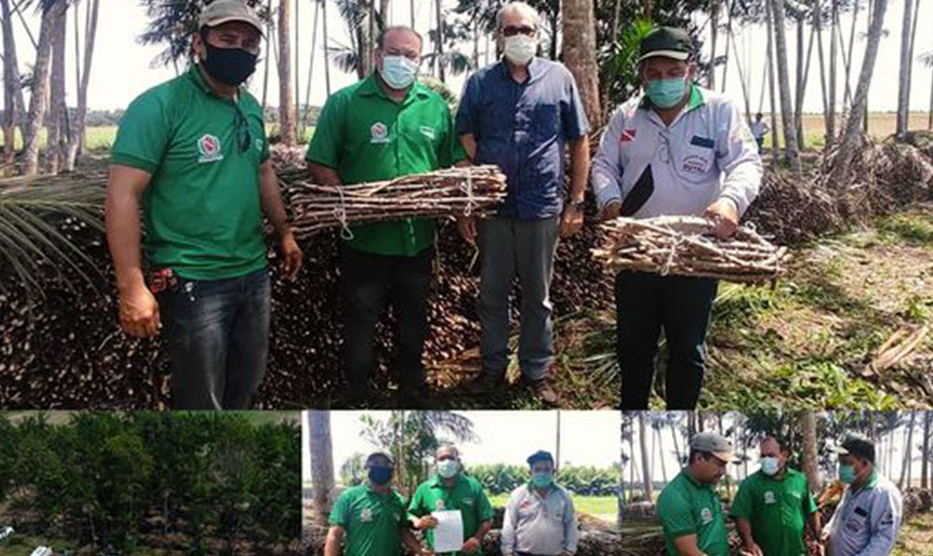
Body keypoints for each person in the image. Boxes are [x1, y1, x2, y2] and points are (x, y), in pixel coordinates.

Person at [105, 0, 303, 410]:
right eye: (227, 39)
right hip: (193, 277)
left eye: (249, 43)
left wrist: (284, 232)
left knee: (245, 386)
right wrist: (131, 285)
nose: (239, 49)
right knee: (200, 400)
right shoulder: (160, 106)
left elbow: (263, 172)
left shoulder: (248, 106)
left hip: (252, 272)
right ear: (199, 43)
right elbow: (122, 194)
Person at [591, 26, 764, 410]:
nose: (663, 81)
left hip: (694, 252)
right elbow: (604, 164)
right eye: (653, 74)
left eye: (672, 72)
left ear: (691, 70)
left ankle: (680, 414)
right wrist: (610, 201)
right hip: (637, 249)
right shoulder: (627, 116)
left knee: (687, 346)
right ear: (643, 75)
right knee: (633, 344)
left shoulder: (718, 110)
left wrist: (731, 202)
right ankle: (633, 410)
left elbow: (745, 163)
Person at [306, 26, 467, 408]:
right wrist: (352, 204)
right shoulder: (345, 102)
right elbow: (320, 161)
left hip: (417, 240)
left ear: (420, 61)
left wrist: (462, 202)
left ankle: (412, 387)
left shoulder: (435, 106)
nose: (402, 61)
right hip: (364, 241)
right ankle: (358, 390)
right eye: (395, 52)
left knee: (414, 317)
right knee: (361, 318)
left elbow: (453, 161)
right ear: (379, 55)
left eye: (411, 55)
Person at [455, 1, 590, 406]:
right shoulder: (480, 82)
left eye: (526, 30)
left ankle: (536, 373)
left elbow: (579, 140)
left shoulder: (559, 78)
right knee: (492, 295)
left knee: (538, 296)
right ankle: (492, 369)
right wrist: (473, 201)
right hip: (495, 210)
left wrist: (576, 201)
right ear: (500, 35)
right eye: (510, 30)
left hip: (541, 206)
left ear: (538, 34)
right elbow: (465, 138)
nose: (519, 37)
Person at [324, 451, 435, 556]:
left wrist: (420, 551)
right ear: (367, 468)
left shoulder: (397, 500)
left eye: (385, 465)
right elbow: (334, 535)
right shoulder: (349, 497)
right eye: (375, 464)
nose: (380, 468)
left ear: (392, 471)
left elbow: (402, 530)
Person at [655, 432, 752, 556]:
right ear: (699, 458)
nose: (723, 471)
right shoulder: (675, 496)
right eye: (720, 464)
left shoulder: (707, 486)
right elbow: (690, 553)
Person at [730, 435, 822, 556]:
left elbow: (811, 511)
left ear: (784, 455)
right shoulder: (751, 484)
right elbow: (741, 515)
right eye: (763, 456)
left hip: (796, 555)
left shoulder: (799, 480)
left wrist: (819, 539)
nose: (766, 460)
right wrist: (749, 542)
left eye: (771, 455)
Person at [408, 444, 494, 556]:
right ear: (435, 463)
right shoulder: (425, 489)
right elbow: (410, 513)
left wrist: (476, 539)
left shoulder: (472, 485)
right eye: (442, 458)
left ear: (458, 461)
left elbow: (487, 518)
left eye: (451, 458)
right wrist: (418, 522)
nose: (446, 462)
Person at [822, 435, 903, 556]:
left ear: (865, 463)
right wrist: (828, 530)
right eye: (840, 462)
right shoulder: (852, 488)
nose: (841, 468)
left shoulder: (882, 493)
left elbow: (884, 540)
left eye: (847, 462)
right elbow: (839, 514)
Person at [501, 450, 578, 556]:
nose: (542, 473)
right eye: (538, 469)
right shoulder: (518, 495)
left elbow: (571, 524)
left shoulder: (563, 496)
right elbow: (509, 525)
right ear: (530, 472)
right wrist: (507, 554)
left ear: (553, 472)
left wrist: (569, 551)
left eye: (547, 469)